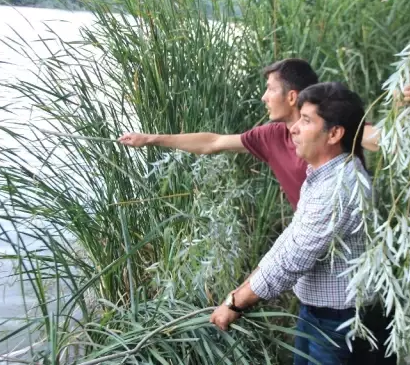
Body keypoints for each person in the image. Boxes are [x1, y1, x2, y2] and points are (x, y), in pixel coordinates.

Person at [209, 82, 389, 364]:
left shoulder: (337, 189)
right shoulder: (323, 176)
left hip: (342, 322)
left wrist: (235, 303)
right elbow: (291, 239)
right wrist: (242, 287)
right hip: (319, 313)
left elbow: (293, 259)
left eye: (305, 120)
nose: (293, 128)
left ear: (335, 133)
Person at [118, 58, 380, 210]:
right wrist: (150, 138)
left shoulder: (332, 126)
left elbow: (380, 140)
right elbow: (213, 142)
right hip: (310, 234)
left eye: (269, 89)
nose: (263, 97)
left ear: (291, 96)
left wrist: (409, 107)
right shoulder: (271, 136)